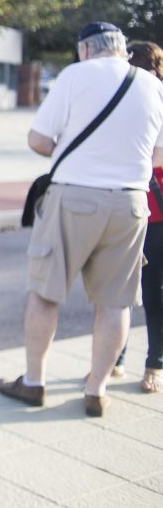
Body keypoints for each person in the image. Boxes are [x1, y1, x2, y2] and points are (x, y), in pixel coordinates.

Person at [0, 22, 163, 417]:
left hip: (74, 196)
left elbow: (38, 140)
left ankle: (34, 382)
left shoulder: (75, 76)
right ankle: (96, 389)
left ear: (85, 49)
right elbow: (158, 156)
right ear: (121, 48)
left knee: (45, 291)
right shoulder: (152, 85)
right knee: (116, 302)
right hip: (132, 203)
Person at [124, 40, 163, 393]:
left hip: (156, 209)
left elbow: (156, 157)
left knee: (153, 289)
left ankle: (155, 361)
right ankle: (115, 359)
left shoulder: (158, 97)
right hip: (126, 201)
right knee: (114, 286)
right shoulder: (124, 97)